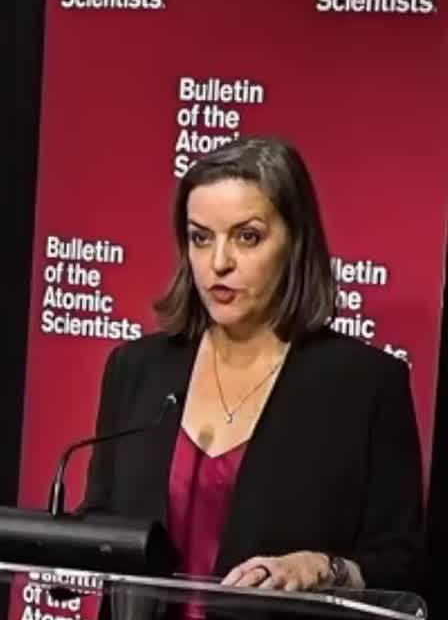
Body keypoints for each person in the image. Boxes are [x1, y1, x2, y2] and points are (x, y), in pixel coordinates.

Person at [82, 138, 426, 614]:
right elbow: (100, 525)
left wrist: (324, 568)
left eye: (247, 237)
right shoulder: (136, 369)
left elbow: (401, 564)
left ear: (295, 242)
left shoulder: (365, 386)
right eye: (201, 238)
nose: (219, 262)